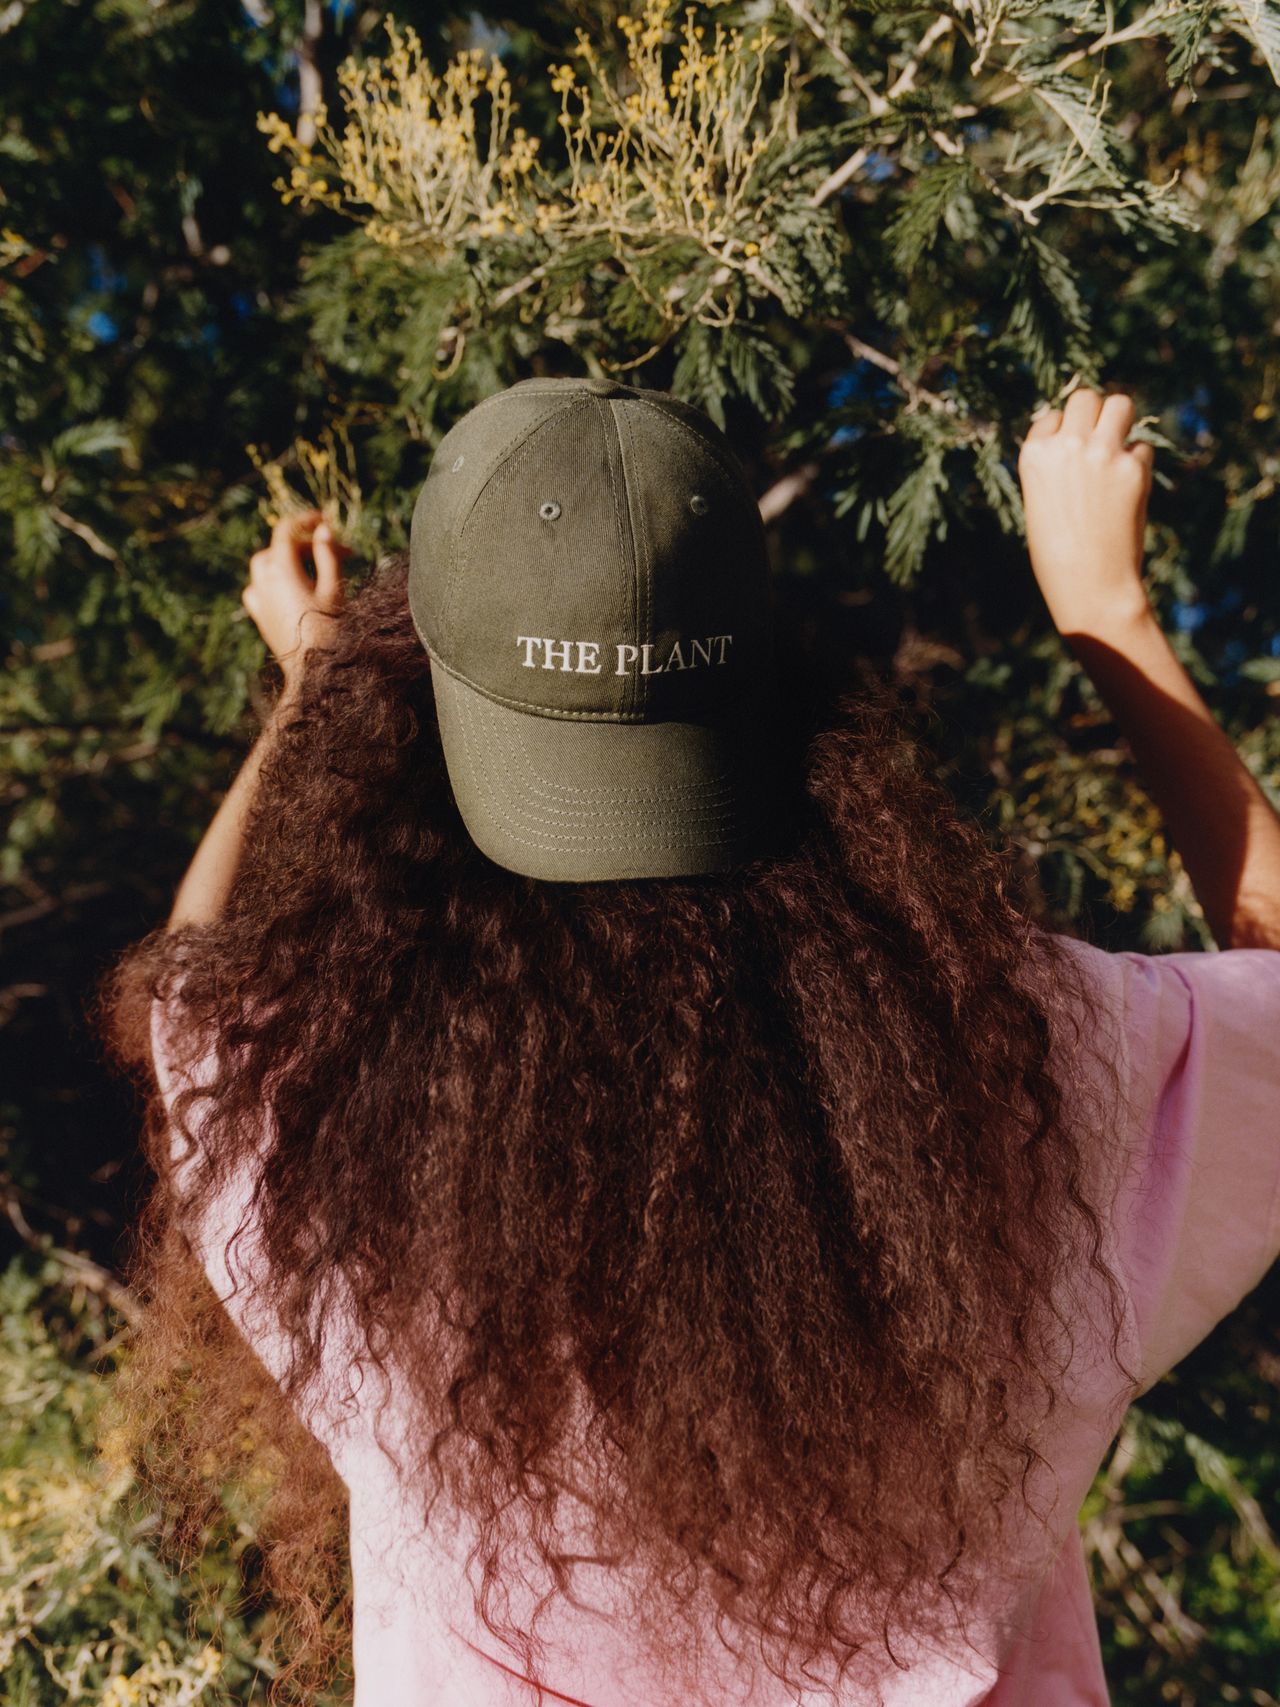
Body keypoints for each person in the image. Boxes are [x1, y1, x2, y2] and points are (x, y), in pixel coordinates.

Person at [99, 379, 1280, 1707]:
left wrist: (309, 688)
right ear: (781, 698)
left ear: (412, 697)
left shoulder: (323, 1119)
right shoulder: (1015, 1070)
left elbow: (183, 1004)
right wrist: (1107, 618)